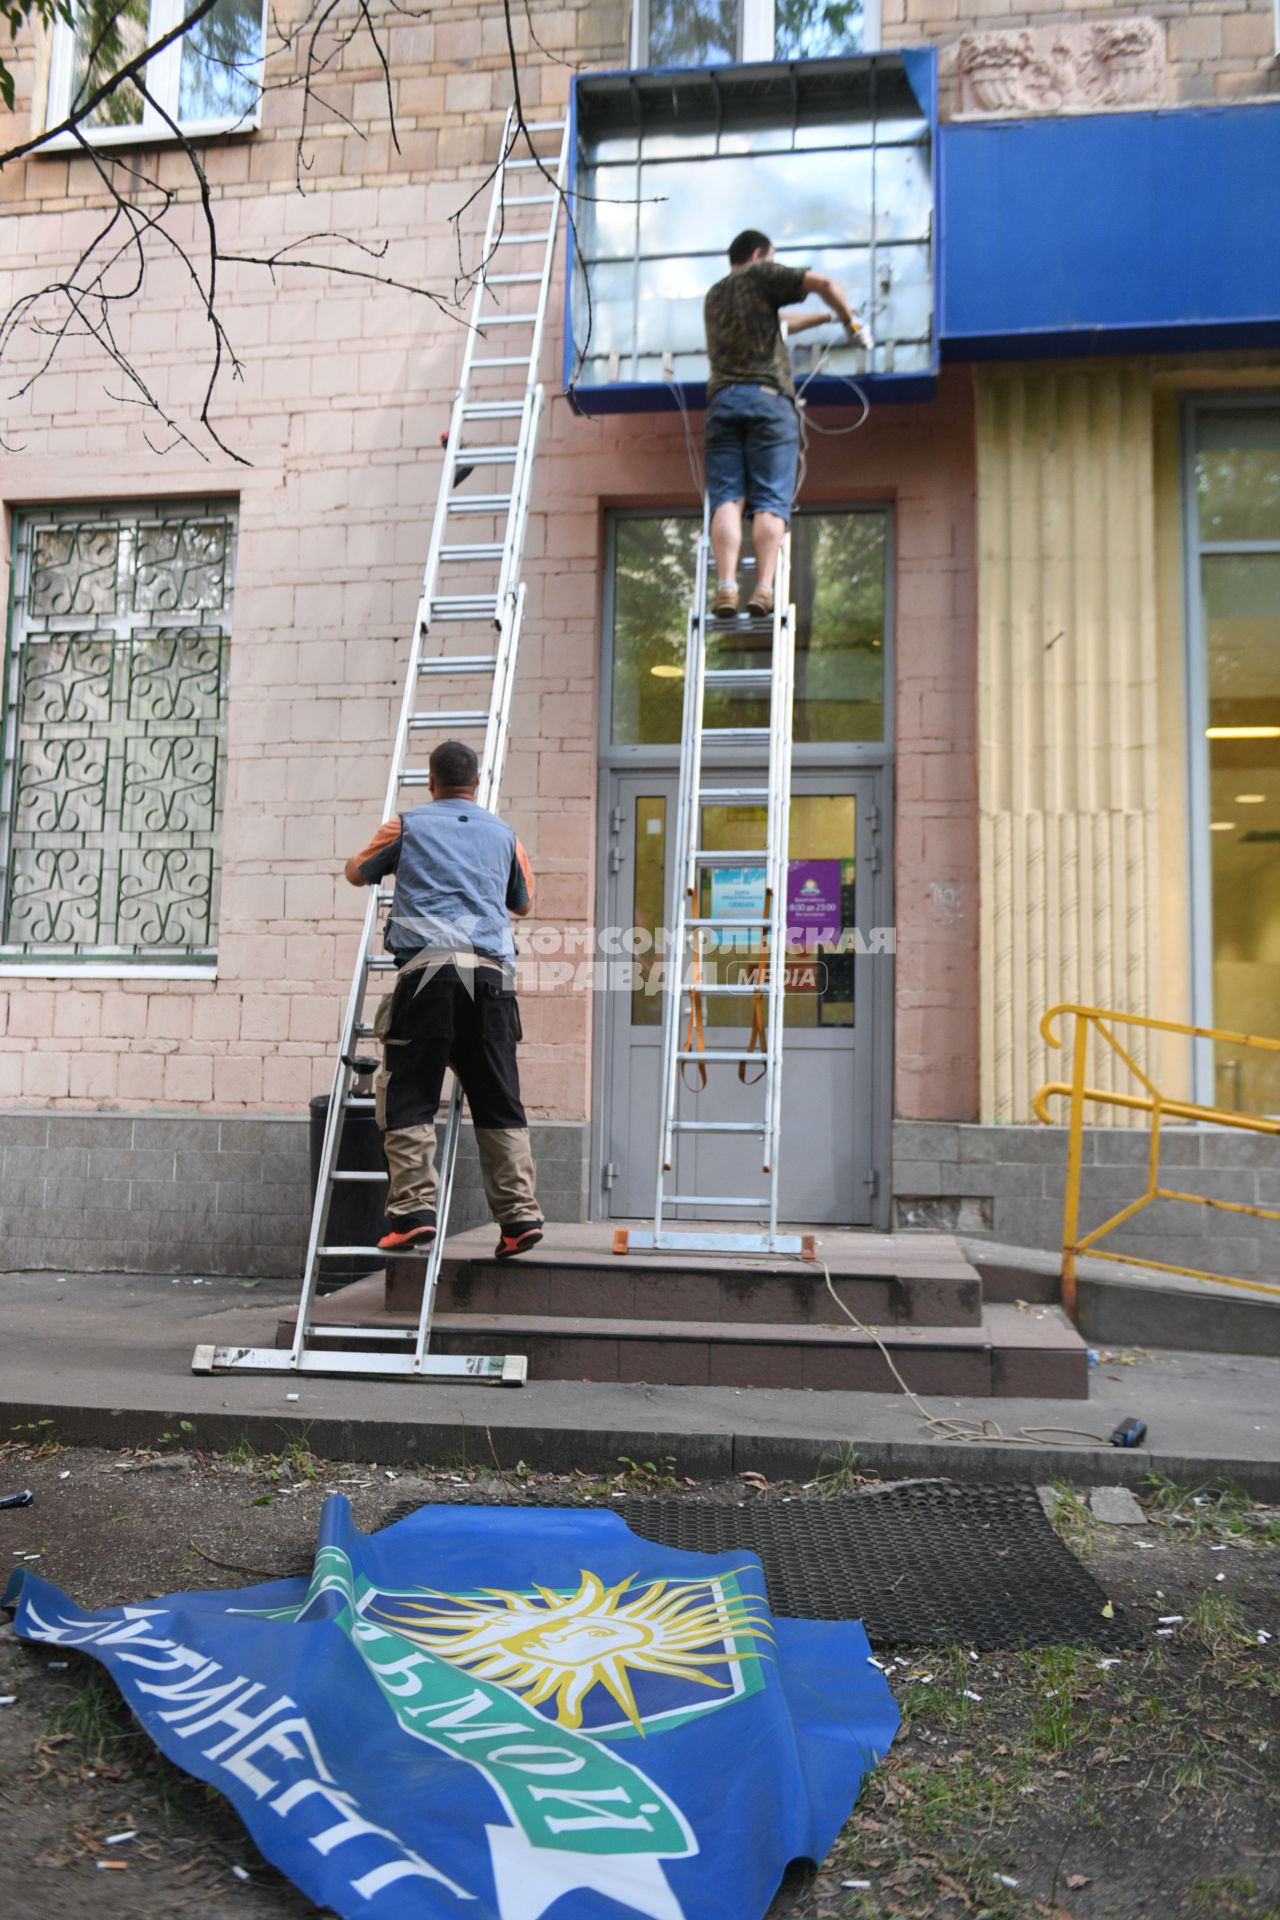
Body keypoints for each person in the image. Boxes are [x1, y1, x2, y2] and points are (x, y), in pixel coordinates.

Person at [343, 739, 543, 1261]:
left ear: (431, 782)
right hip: (491, 979)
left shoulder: (406, 826)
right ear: (476, 784)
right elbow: (522, 904)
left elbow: (356, 871)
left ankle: (412, 1215)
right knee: (499, 1099)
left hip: (428, 973)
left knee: (409, 1093)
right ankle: (519, 1218)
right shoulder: (506, 835)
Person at [703, 229, 862, 620]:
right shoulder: (760, 275)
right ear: (759, 255)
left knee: (727, 498)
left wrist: (822, 316)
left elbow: (781, 322)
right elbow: (823, 282)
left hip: (723, 403)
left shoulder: (716, 295)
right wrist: (850, 322)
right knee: (771, 500)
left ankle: (726, 586)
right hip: (768, 401)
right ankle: (763, 587)